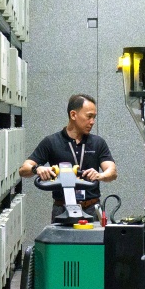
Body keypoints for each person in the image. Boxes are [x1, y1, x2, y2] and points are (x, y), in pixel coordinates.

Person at [20, 93, 118, 223]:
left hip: (91, 209)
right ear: (73, 115)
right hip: (61, 209)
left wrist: (100, 175)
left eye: (94, 117)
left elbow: (112, 171)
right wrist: (37, 169)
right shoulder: (51, 142)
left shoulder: (98, 142)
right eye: (89, 116)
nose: (92, 122)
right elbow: (23, 169)